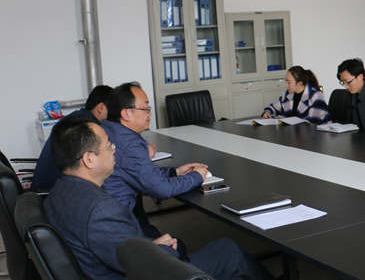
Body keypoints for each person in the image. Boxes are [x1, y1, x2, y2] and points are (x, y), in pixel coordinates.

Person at [44, 114, 271, 280]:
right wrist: (161, 249)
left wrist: (149, 245)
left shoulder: (59, 192)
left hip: (111, 266)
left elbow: (113, 247)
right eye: (109, 146)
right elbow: (139, 265)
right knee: (228, 252)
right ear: (89, 159)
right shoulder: (101, 209)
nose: (114, 150)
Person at [102, 82, 207, 244]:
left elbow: (140, 173)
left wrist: (174, 172)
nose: (149, 113)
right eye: (145, 108)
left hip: (108, 216)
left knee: (152, 230)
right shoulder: (129, 144)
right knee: (177, 245)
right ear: (126, 114)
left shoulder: (108, 129)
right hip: (118, 227)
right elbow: (162, 190)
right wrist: (197, 176)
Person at [32, 85, 113, 192]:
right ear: (101, 108)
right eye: (113, 109)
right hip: (53, 190)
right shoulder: (87, 127)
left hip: (45, 186)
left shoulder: (75, 119)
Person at [262, 66, 330, 124]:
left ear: (299, 83)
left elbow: (313, 123)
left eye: (289, 82)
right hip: (295, 133)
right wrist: (267, 112)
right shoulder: (288, 94)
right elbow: (275, 107)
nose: (286, 85)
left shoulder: (316, 96)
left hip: (318, 133)